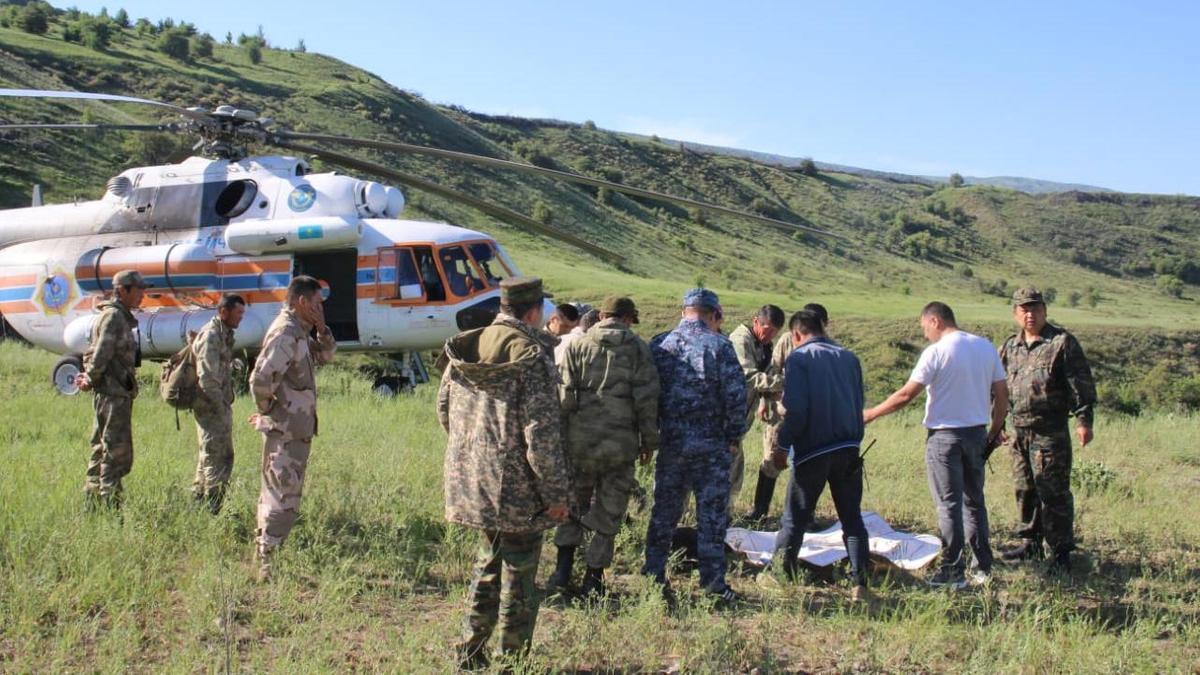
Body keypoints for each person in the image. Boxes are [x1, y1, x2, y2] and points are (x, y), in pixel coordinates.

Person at [437, 276, 571, 669]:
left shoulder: (467, 345)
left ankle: (470, 652)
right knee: (520, 575)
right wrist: (557, 496)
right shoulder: (532, 355)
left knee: (486, 562)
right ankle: (512, 661)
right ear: (533, 312)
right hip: (518, 488)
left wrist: (473, 455)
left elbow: (444, 411)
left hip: (471, 480)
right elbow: (541, 437)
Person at [863, 302, 1007, 589]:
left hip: (944, 437)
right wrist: (993, 431)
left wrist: (871, 413)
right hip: (976, 433)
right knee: (974, 502)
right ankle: (982, 568)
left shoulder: (937, 351)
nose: (925, 333)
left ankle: (952, 571)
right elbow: (1002, 395)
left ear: (934, 321)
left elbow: (906, 395)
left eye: (924, 327)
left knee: (949, 505)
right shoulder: (985, 347)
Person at [549, 296, 660, 598]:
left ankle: (561, 573)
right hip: (620, 448)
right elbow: (647, 402)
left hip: (580, 444)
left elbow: (565, 398)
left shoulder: (577, 345)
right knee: (609, 511)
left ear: (600, 316)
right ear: (628, 319)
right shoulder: (639, 350)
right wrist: (649, 441)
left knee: (573, 505)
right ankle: (593, 580)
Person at [642, 288, 747, 605]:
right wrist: (733, 437)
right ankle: (713, 585)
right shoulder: (720, 345)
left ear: (684, 311)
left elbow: (648, 394)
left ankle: (653, 578)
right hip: (711, 446)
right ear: (715, 314)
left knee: (663, 514)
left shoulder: (660, 344)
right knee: (711, 517)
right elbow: (736, 397)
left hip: (672, 443)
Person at [773, 309, 872, 602]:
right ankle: (860, 583)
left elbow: (797, 410)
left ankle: (781, 574)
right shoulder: (850, 358)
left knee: (795, 517)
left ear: (796, 334)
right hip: (849, 448)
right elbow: (859, 403)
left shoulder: (799, 359)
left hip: (814, 450)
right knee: (852, 518)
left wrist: (782, 445)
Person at [999, 287, 1097, 572]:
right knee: (1025, 488)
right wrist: (998, 423)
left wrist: (1083, 421)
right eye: (1024, 309)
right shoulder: (1009, 346)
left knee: (1053, 492)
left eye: (1035, 308)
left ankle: (1061, 552)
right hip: (1019, 431)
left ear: (1044, 310)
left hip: (1049, 431)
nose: (1030, 314)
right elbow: (1000, 388)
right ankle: (1030, 542)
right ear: (1016, 313)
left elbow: (1080, 383)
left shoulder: (1061, 342)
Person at [248, 276, 337, 582]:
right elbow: (260, 380)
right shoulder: (286, 332)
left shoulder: (300, 332)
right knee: (280, 495)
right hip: (285, 429)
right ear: (301, 302)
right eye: (316, 304)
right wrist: (267, 413)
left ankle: (269, 556)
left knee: (285, 492)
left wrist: (322, 329)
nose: (320, 309)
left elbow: (325, 355)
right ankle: (268, 565)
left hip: (296, 429)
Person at [75, 269, 149, 509]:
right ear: (123, 290)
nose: (142, 296)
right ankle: (110, 506)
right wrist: (90, 377)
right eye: (138, 290)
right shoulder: (114, 317)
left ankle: (93, 502)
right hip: (112, 394)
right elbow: (101, 353)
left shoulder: (117, 316)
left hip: (113, 393)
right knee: (114, 452)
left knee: (102, 448)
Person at [750, 303, 829, 521]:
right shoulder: (787, 340)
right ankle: (760, 511)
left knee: (808, 465)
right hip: (782, 411)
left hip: (812, 416)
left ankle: (804, 513)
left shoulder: (829, 349)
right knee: (771, 461)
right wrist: (765, 400)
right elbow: (773, 369)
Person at [190, 294, 246, 514]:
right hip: (211, 405)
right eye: (238, 313)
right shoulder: (211, 335)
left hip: (218, 403)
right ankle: (213, 508)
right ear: (224, 312)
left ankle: (199, 504)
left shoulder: (223, 334)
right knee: (218, 456)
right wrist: (219, 407)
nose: (241, 318)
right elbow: (206, 379)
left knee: (210, 455)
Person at [727, 305, 785, 516]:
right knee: (730, 471)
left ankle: (724, 516)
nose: (769, 335)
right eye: (767, 329)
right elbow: (749, 376)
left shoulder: (762, 344)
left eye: (774, 332)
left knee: (733, 471)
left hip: (739, 420)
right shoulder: (740, 340)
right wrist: (781, 383)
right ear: (756, 322)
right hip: (727, 418)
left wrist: (766, 398)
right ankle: (720, 518)